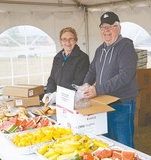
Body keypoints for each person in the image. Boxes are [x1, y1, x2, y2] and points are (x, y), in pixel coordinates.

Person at [83, 12, 138, 148]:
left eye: (111, 26)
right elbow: (92, 71)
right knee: (106, 142)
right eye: (103, 27)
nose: (106, 30)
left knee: (124, 144)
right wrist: (85, 85)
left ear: (119, 28)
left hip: (122, 104)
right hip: (102, 102)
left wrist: (98, 89)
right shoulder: (100, 49)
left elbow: (125, 75)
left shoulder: (126, 47)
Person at [42, 27, 90, 104]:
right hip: (56, 98)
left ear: (75, 40)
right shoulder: (57, 57)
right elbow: (52, 78)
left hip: (73, 99)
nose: (68, 42)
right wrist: (49, 92)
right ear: (61, 41)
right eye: (64, 39)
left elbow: (78, 82)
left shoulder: (82, 58)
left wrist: (59, 94)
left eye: (71, 39)